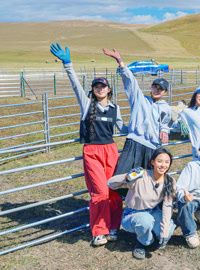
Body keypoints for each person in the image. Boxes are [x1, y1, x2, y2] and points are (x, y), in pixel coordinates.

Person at [50, 43, 128, 246]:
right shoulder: (87, 105)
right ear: (93, 90)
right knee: (99, 192)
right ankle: (99, 231)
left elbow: (123, 129)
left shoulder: (115, 108)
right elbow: (76, 84)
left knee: (114, 190)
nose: (100, 89)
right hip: (92, 151)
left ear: (108, 89)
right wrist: (68, 64)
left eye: (103, 86)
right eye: (96, 86)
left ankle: (113, 228)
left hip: (111, 151)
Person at [103, 48, 171, 180]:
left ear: (165, 92)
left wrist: (164, 130)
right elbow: (131, 82)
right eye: (155, 87)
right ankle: (125, 200)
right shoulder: (139, 99)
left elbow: (164, 123)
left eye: (161, 89)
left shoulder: (166, 108)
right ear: (151, 87)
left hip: (152, 146)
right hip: (134, 141)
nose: (157, 90)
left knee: (147, 179)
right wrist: (120, 61)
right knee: (123, 177)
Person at [107, 148, 177, 259]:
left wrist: (164, 233)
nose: (163, 165)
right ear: (152, 162)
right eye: (159, 161)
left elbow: (167, 207)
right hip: (133, 213)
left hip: (153, 212)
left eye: (167, 162)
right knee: (145, 221)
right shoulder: (141, 175)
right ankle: (144, 242)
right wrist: (127, 177)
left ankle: (149, 234)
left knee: (168, 230)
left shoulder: (169, 181)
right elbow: (110, 183)